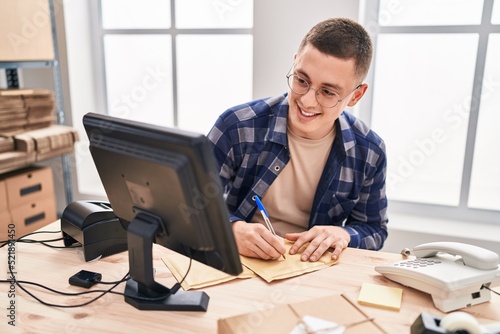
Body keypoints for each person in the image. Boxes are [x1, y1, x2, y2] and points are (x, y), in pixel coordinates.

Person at [208, 17, 388, 263]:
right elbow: (190, 205)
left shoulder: (369, 151)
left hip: (312, 272)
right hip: (239, 264)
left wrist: (343, 234)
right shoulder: (237, 126)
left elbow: (374, 230)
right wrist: (230, 229)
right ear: (294, 63)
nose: (307, 101)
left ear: (356, 95)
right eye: (301, 80)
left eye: (328, 92)